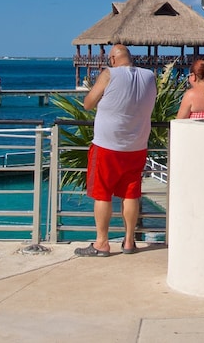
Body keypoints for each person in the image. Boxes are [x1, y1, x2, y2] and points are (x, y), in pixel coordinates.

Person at [75, 44, 157, 257]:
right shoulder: (149, 76)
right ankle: (129, 241)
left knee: (102, 194)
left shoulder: (109, 73)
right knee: (130, 193)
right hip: (137, 145)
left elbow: (88, 104)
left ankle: (102, 243)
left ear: (112, 59)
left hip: (107, 145)